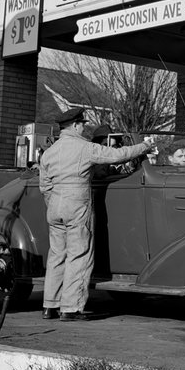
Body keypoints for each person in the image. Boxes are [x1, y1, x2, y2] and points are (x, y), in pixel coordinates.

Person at [38, 107, 156, 322]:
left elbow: (44, 186)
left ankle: (50, 305)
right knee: (79, 255)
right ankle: (70, 308)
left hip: (54, 205)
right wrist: (144, 146)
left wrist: (54, 202)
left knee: (56, 256)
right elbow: (118, 155)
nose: (84, 127)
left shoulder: (50, 152)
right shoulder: (85, 148)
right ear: (74, 125)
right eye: (82, 124)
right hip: (77, 204)